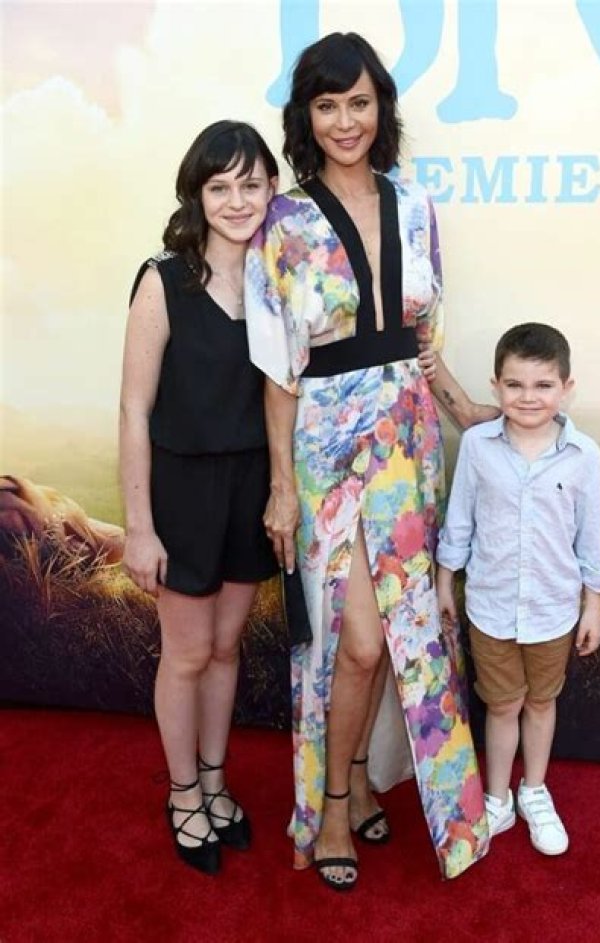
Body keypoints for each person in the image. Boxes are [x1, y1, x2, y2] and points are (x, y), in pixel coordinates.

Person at [245, 32, 495, 889]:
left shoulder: (416, 205)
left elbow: (423, 338)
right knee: (354, 641)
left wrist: (464, 408)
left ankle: (364, 775)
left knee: (401, 633)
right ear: (305, 116)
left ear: (381, 108)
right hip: (327, 447)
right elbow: (278, 371)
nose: (346, 120)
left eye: (359, 102)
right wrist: (282, 486)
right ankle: (332, 805)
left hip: (411, 440)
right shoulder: (282, 222)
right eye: (328, 105)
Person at [119, 121, 279, 875]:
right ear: (197, 195)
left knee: (224, 648)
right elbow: (133, 409)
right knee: (185, 654)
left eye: (252, 184)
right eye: (221, 186)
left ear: (273, 189)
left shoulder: (279, 279)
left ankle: (216, 780)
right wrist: (139, 527)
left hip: (253, 486)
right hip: (181, 491)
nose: (237, 200)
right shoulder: (164, 280)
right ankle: (183, 792)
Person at [437, 322, 600, 856]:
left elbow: (591, 537)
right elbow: (460, 521)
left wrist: (593, 605)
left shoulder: (583, 454)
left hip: (553, 610)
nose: (528, 397)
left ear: (566, 387)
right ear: (495, 386)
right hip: (490, 607)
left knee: (540, 702)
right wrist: (444, 582)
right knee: (502, 704)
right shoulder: (477, 446)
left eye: (543, 385)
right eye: (514, 385)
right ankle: (497, 799)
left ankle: (533, 790)